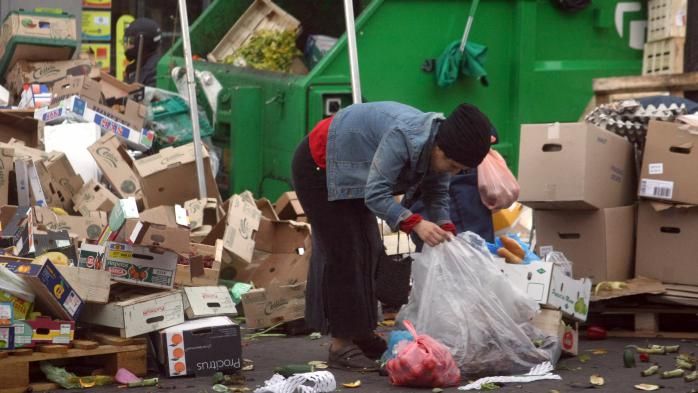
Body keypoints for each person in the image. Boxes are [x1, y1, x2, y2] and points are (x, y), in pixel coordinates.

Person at [291, 101, 493, 372]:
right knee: (344, 252)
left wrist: (444, 225)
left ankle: (360, 333)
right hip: (320, 166)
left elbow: (437, 193)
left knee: (370, 247)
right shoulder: (404, 137)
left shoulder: (441, 147)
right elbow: (376, 195)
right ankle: (341, 346)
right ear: (439, 147)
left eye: (460, 169)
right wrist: (415, 223)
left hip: (354, 172)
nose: (452, 171)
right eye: (452, 164)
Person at [124, 18, 162, 86]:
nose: (126, 46)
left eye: (131, 42)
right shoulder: (133, 68)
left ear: (144, 43)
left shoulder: (157, 72)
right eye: (125, 41)